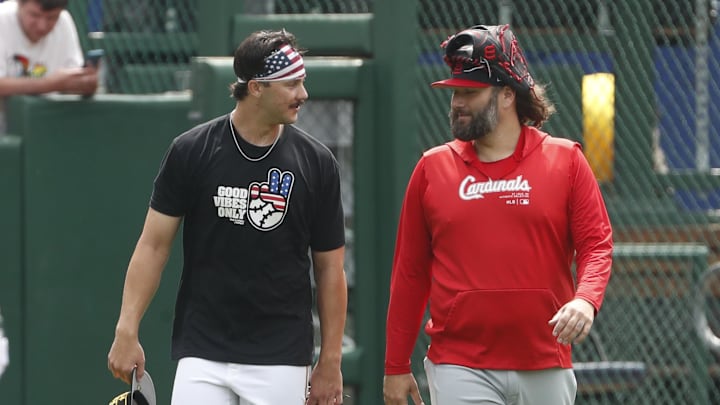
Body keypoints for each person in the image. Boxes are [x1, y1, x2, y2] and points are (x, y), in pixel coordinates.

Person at [106, 29, 348, 405]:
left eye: (303, 82)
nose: (304, 94)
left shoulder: (317, 163)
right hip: (202, 350)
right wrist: (126, 328)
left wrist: (330, 361)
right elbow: (153, 246)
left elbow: (331, 270)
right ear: (255, 88)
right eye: (293, 84)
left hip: (281, 355)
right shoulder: (191, 151)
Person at [383, 24, 613, 405]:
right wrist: (395, 365)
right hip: (459, 364)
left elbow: (597, 244)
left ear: (507, 95)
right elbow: (409, 272)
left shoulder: (566, 159)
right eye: (455, 91)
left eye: (470, 93)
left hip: (546, 360)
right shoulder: (431, 169)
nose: (457, 102)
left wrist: (585, 299)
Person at [0, 0, 98, 134]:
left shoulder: (64, 21)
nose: (42, 26)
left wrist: (83, 84)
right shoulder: (2, 19)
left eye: (52, 18)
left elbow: (72, 79)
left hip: (43, 128)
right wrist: (49, 84)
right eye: (34, 15)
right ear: (19, 3)